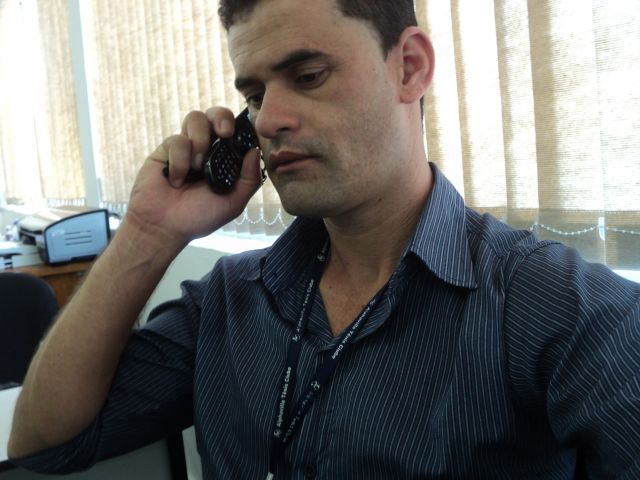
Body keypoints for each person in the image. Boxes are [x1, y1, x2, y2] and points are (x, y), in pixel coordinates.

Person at [8, 0, 640, 478]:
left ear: (410, 68)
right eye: (254, 95)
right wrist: (149, 232)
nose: (269, 119)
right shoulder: (227, 302)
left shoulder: (566, 310)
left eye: (308, 75)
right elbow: (44, 443)